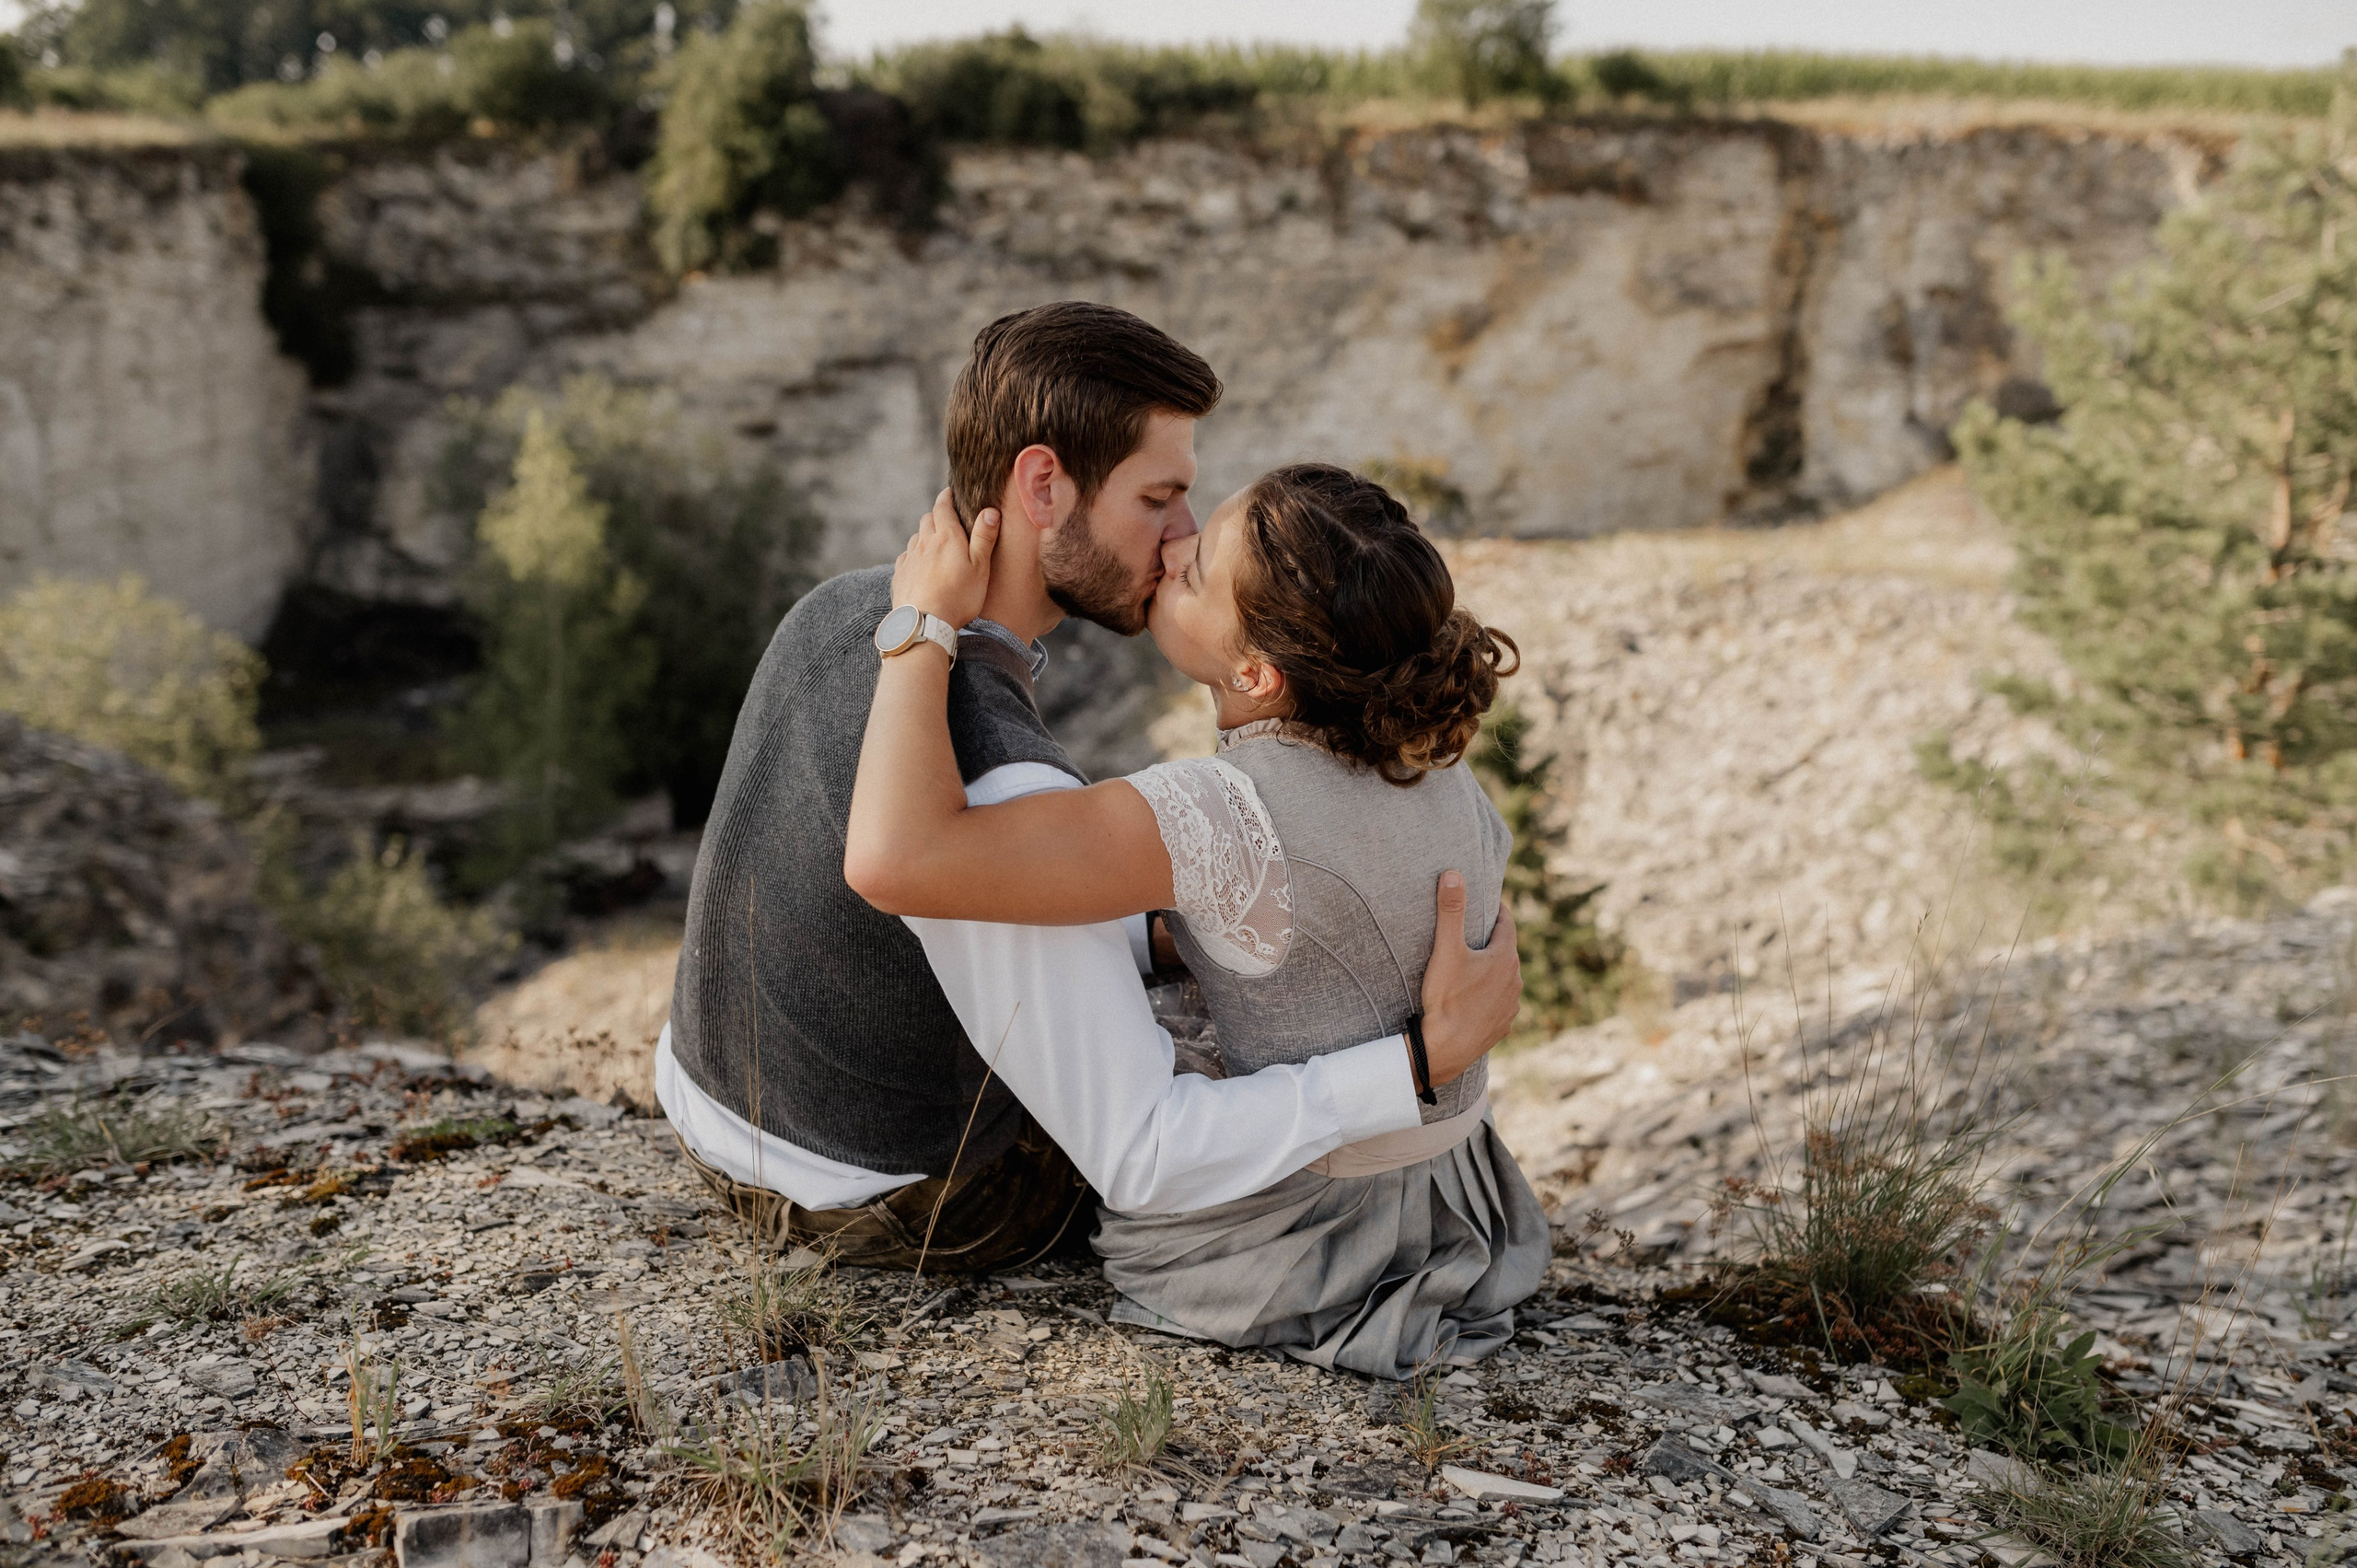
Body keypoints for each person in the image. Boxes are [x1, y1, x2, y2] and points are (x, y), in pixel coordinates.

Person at [656, 301, 1525, 1276]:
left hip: (713, 1096)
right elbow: (1138, 1146)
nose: (1177, 538)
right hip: (892, 1195)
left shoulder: (853, 604)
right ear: (1043, 485)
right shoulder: (993, 772)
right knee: (1211, 1071)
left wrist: (1169, 926)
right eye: (1158, 497)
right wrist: (1410, 1066)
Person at [844, 462, 1549, 1377]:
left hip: (1302, 1247)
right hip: (1459, 1205)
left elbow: (898, 859)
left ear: (1257, 671)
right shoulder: (1428, 758)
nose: (1170, 547)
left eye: (1196, 570)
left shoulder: (1218, 810)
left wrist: (922, 625)